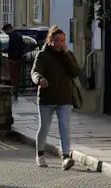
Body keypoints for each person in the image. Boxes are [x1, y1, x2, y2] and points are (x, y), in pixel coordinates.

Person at [30, 25, 80, 170]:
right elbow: (35, 72)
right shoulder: (43, 55)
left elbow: (75, 72)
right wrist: (39, 79)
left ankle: (65, 157)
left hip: (65, 98)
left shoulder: (67, 55)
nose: (60, 43)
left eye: (63, 40)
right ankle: (40, 154)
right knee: (44, 127)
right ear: (50, 40)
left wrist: (66, 55)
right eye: (57, 40)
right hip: (47, 98)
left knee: (64, 126)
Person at [3, 24, 24, 99]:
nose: (6, 33)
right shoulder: (19, 35)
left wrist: (5, 51)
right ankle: (16, 91)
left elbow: (12, 48)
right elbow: (21, 47)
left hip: (13, 59)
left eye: (6, 31)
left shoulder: (12, 36)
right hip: (19, 59)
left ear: (9, 29)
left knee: (13, 76)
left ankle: (14, 91)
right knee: (17, 77)